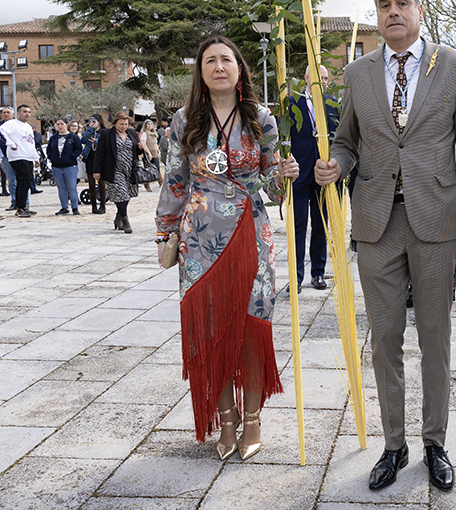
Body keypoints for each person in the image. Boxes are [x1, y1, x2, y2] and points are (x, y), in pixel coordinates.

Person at [314, 0, 456, 493]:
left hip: (436, 219)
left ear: (420, 10)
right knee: (384, 338)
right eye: (384, 4)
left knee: (436, 337)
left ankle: (434, 442)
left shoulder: (453, 66)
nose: (393, 12)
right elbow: (347, 142)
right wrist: (335, 166)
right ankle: (394, 444)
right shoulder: (358, 73)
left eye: (403, 2)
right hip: (377, 222)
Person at [155, 36, 298, 462]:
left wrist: (284, 175)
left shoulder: (261, 118)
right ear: (200, 72)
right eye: (210, 61)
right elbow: (175, 179)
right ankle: (227, 420)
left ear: (239, 69)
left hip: (250, 233)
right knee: (211, 329)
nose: (219, 66)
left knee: (253, 325)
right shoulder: (184, 121)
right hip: (200, 239)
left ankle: (252, 418)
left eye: (226, 60)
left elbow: (273, 188)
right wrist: (165, 232)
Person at [288, 64, 339, 290]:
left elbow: (338, 137)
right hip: (299, 173)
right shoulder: (292, 104)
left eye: (326, 78)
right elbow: (285, 138)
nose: (323, 82)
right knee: (298, 226)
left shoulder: (332, 105)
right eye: (320, 78)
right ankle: (296, 277)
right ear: (307, 78)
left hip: (322, 173)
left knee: (321, 225)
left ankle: (318, 273)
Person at [93, 112, 140, 233]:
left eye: (126, 124)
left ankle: (118, 217)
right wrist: (97, 170)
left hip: (130, 169)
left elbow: (136, 151)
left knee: (127, 194)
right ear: (115, 123)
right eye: (121, 124)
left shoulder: (132, 133)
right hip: (114, 169)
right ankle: (125, 221)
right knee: (121, 193)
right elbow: (99, 153)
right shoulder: (107, 134)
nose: (123, 126)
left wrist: (140, 148)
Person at [1, 105, 40, 218]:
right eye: (24, 111)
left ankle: (22, 206)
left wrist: (36, 157)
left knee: (26, 182)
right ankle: (20, 207)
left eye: (29, 112)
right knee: (23, 181)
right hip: (18, 156)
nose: (27, 114)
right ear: (18, 113)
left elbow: (31, 143)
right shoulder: (11, 124)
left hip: (28, 156)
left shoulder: (28, 126)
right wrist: (11, 144)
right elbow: (1, 132)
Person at [47, 118, 83, 215]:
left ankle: (75, 207)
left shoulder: (73, 137)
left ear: (66, 125)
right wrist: (52, 158)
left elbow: (78, 148)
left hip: (70, 166)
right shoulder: (53, 138)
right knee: (61, 188)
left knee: (71, 187)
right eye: (58, 124)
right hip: (56, 167)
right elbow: (49, 149)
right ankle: (64, 207)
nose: (60, 126)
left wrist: (72, 156)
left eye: (62, 124)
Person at [81, 114, 106, 214]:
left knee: (101, 182)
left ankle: (102, 205)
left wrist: (95, 141)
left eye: (94, 121)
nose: (92, 123)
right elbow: (83, 140)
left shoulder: (104, 132)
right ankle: (94, 206)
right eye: (90, 121)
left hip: (100, 159)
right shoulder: (89, 131)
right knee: (91, 182)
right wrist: (89, 129)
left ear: (99, 122)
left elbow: (103, 144)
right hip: (89, 158)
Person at [138, 119, 162, 191]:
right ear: (145, 125)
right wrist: (148, 153)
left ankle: (161, 183)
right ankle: (147, 186)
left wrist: (158, 151)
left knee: (157, 169)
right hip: (148, 154)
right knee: (147, 170)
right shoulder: (144, 133)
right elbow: (144, 144)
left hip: (155, 153)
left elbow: (155, 144)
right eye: (148, 124)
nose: (150, 125)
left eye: (151, 124)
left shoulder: (154, 133)